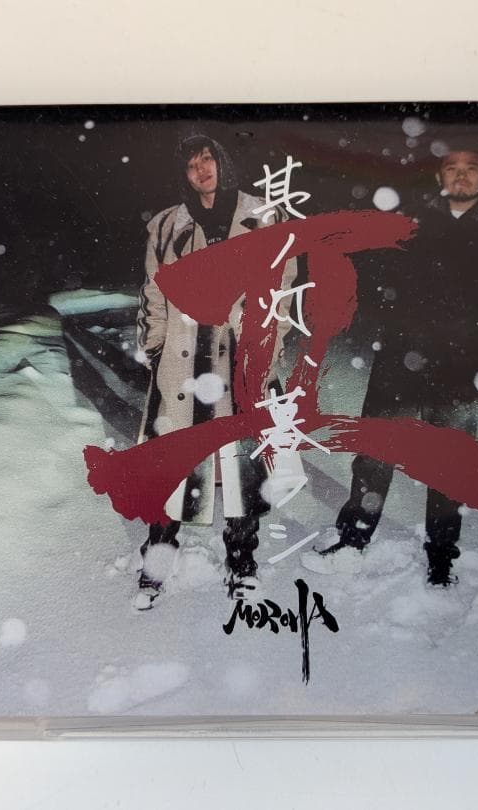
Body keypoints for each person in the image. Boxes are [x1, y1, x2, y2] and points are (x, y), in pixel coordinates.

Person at [316, 146, 478, 586]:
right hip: (400, 361)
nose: (461, 176)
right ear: (439, 177)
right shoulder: (413, 224)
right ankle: (352, 541)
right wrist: (397, 323)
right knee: (375, 454)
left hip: (460, 367)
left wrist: (474, 338)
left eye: (471, 169)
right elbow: (378, 275)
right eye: (452, 168)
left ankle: (441, 559)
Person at [133, 133, 296, 609]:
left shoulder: (265, 217)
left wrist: (265, 351)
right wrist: (156, 347)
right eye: (191, 164)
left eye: (208, 159)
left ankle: (242, 563)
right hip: (182, 362)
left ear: (224, 161)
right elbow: (154, 292)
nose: (202, 169)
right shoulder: (167, 225)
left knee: (242, 467)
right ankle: (158, 557)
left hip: (239, 360)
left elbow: (281, 295)